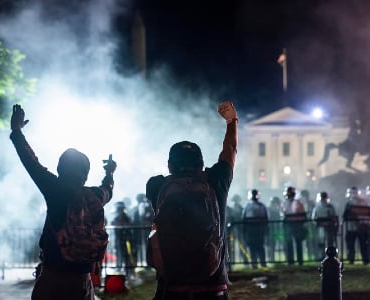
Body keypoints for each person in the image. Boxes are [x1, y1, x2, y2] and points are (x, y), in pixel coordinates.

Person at [9, 104, 117, 300]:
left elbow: (31, 162)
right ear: (85, 173)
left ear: (60, 169)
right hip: (83, 281)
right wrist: (109, 172)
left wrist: (16, 131)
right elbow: (108, 190)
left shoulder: (56, 190)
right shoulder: (94, 196)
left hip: (53, 280)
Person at [145, 101, 237, 300]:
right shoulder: (216, 180)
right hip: (214, 289)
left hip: (172, 288)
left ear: (169, 166)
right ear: (202, 164)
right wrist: (232, 121)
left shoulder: (156, 186)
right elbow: (230, 149)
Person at [342, 186, 370, 265]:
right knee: (362, 244)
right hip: (359, 227)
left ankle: (353, 259)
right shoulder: (363, 202)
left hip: (355, 227)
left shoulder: (350, 203)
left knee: (355, 244)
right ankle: (364, 259)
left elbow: (345, 215)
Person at [242, 189, 268, 269]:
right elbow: (244, 219)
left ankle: (262, 263)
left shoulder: (261, 206)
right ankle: (254, 264)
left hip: (259, 229)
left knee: (259, 246)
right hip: (251, 230)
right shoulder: (248, 206)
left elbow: (265, 218)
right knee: (253, 247)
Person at [282, 186, 307, 266]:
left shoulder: (297, 203)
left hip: (296, 225)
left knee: (297, 243)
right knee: (290, 243)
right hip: (290, 225)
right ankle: (291, 261)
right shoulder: (286, 203)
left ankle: (298, 261)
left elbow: (302, 215)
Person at [312, 191, 338, 260]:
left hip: (327, 226)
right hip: (322, 226)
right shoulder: (320, 207)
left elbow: (333, 216)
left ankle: (327, 255)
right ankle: (324, 255)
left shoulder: (327, 206)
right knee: (323, 242)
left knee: (327, 242)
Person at [110, 201, 134, 276]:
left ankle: (127, 268)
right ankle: (120, 266)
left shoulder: (125, 217)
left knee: (125, 253)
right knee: (119, 253)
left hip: (124, 238)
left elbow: (127, 226)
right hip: (119, 238)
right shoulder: (118, 216)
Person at [267, 196, 283, 262]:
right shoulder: (270, 209)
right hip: (270, 229)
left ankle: (271, 258)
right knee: (270, 244)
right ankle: (271, 258)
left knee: (272, 244)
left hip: (275, 229)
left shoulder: (276, 210)